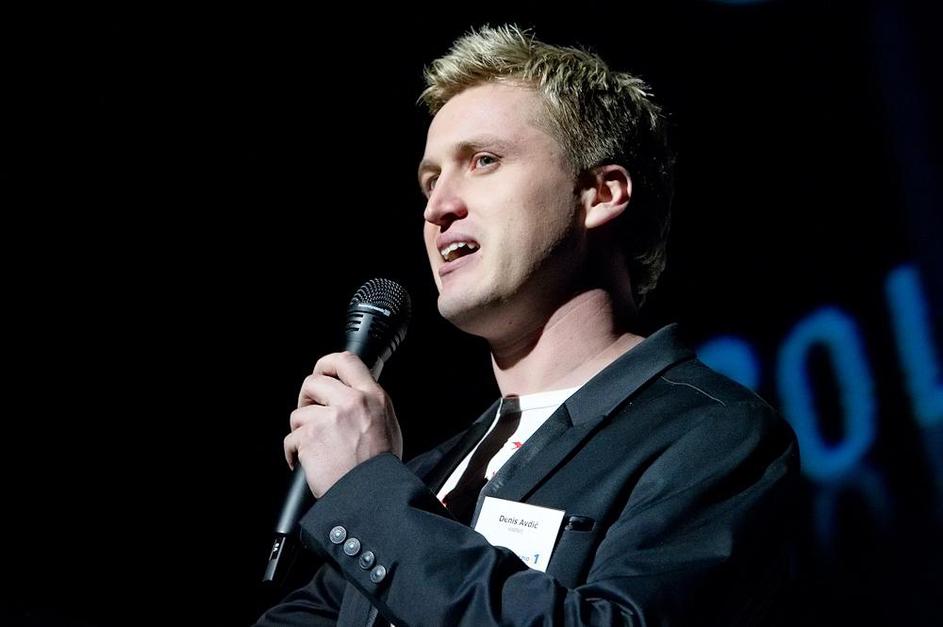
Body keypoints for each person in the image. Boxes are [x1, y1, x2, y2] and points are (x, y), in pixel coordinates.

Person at [256, 24, 798, 626]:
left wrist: (366, 491)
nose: (438, 207)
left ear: (600, 194)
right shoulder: (429, 474)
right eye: (431, 181)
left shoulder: (713, 434)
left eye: (483, 161)